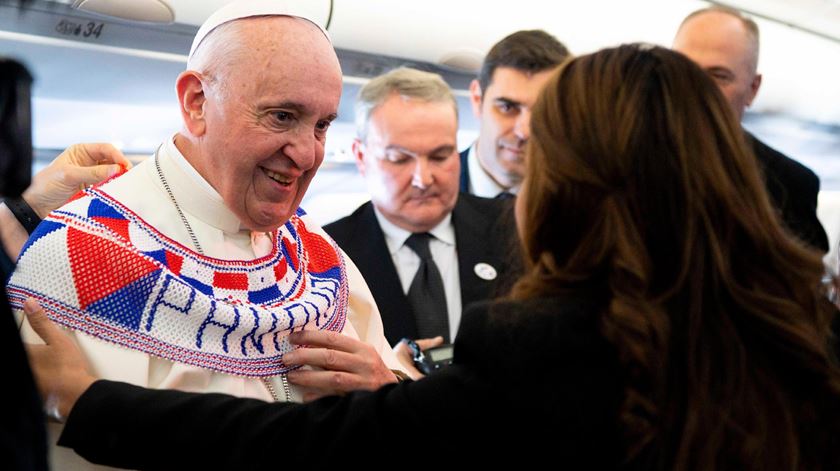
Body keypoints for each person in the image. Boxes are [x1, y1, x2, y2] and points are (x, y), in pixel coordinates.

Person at [25, 44, 840, 470]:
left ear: (581, 185)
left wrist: (89, 400)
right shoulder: (803, 332)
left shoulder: (543, 348)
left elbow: (299, 450)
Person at [9, 2, 404, 469]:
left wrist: (390, 390)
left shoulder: (319, 255)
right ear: (197, 103)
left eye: (322, 125)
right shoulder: (75, 255)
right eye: (281, 116)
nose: (306, 153)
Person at [324, 68, 517, 347]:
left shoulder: (513, 230)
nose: (423, 180)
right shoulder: (327, 255)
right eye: (400, 159)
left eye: (440, 156)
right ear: (361, 157)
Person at [673, 5, 829, 252]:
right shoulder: (618, 157)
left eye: (718, 76)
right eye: (682, 69)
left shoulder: (789, 185)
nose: (695, 87)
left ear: (753, 89)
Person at [460, 29, 570, 197]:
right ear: (477, 99)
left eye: (543, 111)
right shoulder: (422, 188)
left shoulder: (583, 201)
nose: (524, 132)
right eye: (507, 107)